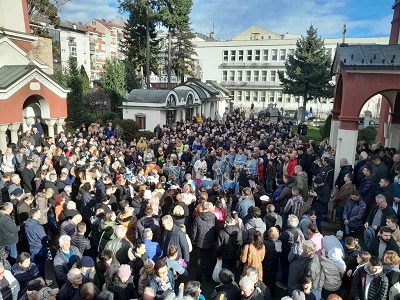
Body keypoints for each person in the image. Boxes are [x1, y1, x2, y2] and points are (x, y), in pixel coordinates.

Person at [192, 201, 217, 282]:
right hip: (210, 243)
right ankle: (208, 278)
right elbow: (216, 230)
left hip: (199, 244)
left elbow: (194, 232)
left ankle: (199, 278)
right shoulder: (213, 217)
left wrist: (193, 241)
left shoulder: (198, 218)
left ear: (202, 208)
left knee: (199, 261)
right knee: (209, 261)